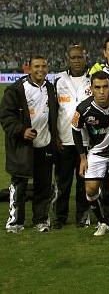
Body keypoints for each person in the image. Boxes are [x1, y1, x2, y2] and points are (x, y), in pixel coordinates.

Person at [1, 56, 58, 233]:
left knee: (43, 185)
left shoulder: (50, 88)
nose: (40, 69)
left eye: (44, 66)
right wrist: (21, 130)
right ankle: (15, 222)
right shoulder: (17, 90)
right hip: (22, 146)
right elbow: (5, 116)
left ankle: (41, 220)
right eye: (36, 66)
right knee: (19, 184)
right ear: (29, 69)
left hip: (45, 144)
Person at [73, 71, 109, 236]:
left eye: (105, 87)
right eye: (97, 87)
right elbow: (75, 129)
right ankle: (102, 221)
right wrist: (82, 158)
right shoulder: (83, 108)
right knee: (91, 190)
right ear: (91, 89)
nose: (102, 91)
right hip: (97, 153)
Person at [52, 44, 92, 228]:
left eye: (79, 57)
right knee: (63, 182)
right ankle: (60, 217)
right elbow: (52, 111)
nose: (76, 60)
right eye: (73, 57)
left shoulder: (93, 78)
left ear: (85, 58)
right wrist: (55, 136)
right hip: (64, 140)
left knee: (84, 181)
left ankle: (82, 216)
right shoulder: (58, 80)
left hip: (86, 141)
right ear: (68, 59)